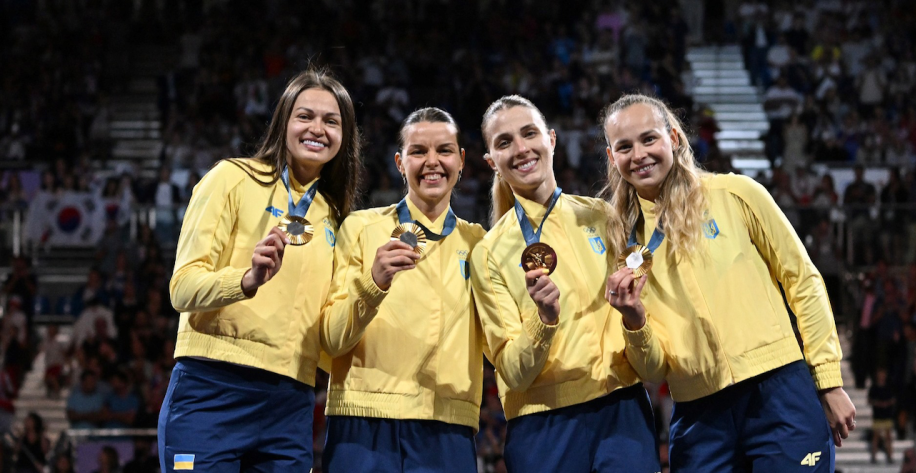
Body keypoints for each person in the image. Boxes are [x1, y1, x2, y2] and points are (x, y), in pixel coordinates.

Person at [599, 93, 855, 472]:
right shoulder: (622, 244)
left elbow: (803, 281)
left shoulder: (736, 194)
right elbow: (652, 370)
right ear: (611, 157)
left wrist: (829, 380)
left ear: (674, 137)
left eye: (649, 139)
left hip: (778, 390)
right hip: (699, 414)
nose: (639, 154)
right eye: (625, 146)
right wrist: (634, 320)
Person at [158, 68, 361, 472]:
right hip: (212, 386)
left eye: (331, 121)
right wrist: (245, 280)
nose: (317, 129)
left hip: (291, 401)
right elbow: (181, 289)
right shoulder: (231, 179)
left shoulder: (337, 219)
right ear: (283, 121)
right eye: (305, 116)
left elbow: (328, 325)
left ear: (345, 136)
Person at [470, 95, 659, 472]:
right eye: (505, 142)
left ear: (551, 140)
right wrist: (544, 318)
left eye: (529, 133)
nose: (521, 149)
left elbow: (649, 344)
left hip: (622, 412)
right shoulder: (487, 253)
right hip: (542, 429)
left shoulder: (604, 217)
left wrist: (634, 319)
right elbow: (514, 372)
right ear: (492, 161)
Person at [320, 108, 486, 472]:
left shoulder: (481, 243)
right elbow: (331, 340)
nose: (432, 162)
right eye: (418, 151)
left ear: (461, 160)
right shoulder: (360, 228)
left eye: (444, 150)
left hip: (448, 424)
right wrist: (373, 283)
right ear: (400, 162)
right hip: (363, 421)